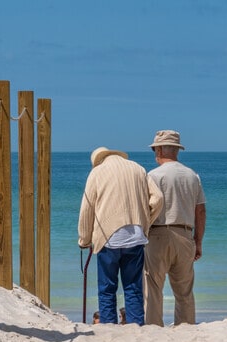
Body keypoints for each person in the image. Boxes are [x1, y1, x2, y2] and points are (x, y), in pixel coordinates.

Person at [78, 147, 164, 325]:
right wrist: (145, 220)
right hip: (136, 236)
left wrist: (84, 239)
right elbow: (158, 198)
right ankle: (136, 325)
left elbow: (87, 209)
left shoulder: (97, 172)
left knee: (107, 288)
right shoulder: (138, 169)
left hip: (107, 238)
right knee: (133, 287)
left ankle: (109, 326)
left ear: (98, 160)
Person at [144, 130, 206, 326]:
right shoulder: (192, 176)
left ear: (161, 149)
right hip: (185, 234)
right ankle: (185, 326)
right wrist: (198, 241)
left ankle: (153, 326)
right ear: (177, 150)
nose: (155, 152)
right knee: (184, 290)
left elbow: (146, 208)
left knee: (153, 287)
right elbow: (201, 211)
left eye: (155, 149)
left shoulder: (152, 175)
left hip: (158, 233)